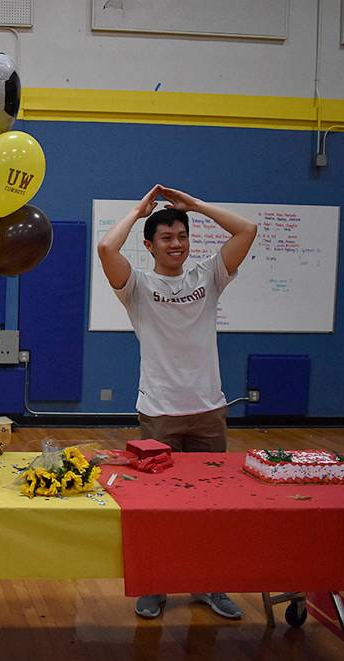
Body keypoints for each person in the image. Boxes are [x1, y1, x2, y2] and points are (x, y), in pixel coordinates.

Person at [97, 184, 257, 621]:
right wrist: (138, 210)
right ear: (149, 245)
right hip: (159, 414)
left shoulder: (208, 276)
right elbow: (106, 247)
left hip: (208, 411)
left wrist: (195, 206)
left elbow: (247, 230)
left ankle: (209, 584)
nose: (176, 243)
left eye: (182, 236)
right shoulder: (137, 286)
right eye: (166, 237)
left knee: (212, 507)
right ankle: (155, 586)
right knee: (159, 509)